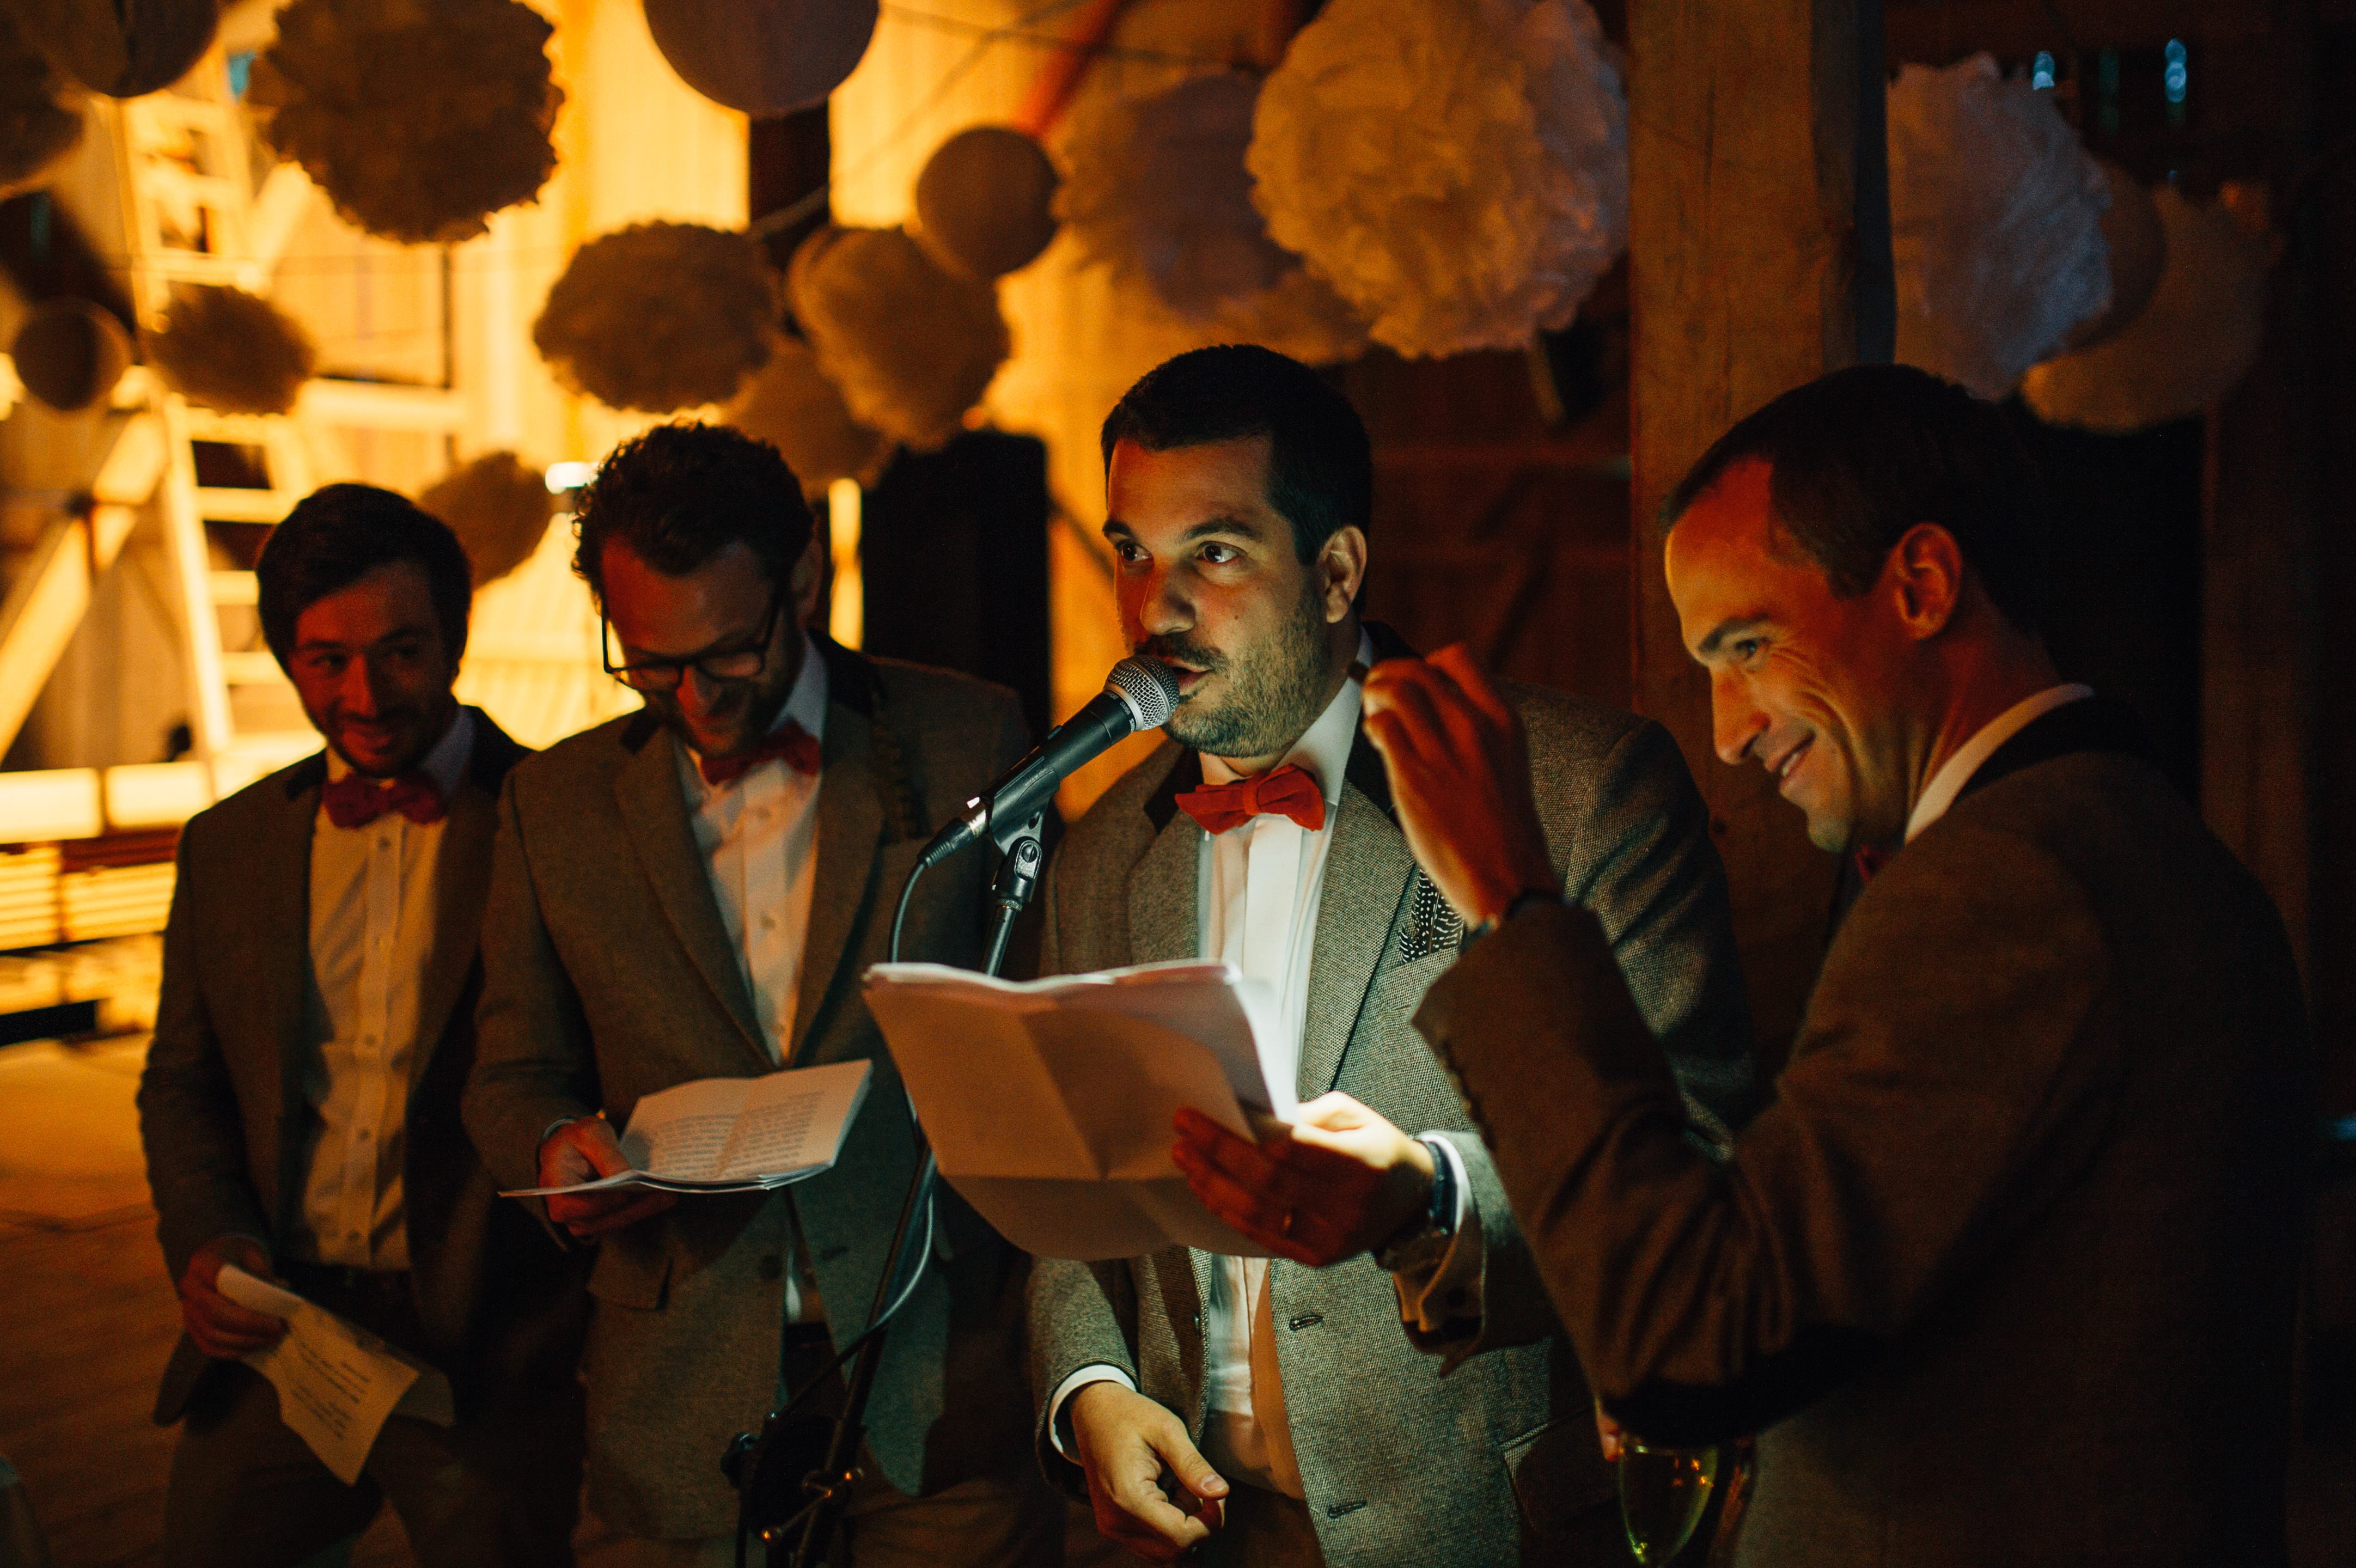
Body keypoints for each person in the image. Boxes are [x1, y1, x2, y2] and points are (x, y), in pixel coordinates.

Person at [1297, 364, 2311, 1565]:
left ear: (1921, 585)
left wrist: (1513, 903)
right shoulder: (2121, 835)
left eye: (1749, 644)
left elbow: (1690, 1343)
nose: (1727, 733)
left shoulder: (2009, 885)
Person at [1027, 345, 1757, 1567]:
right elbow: (1072, 1186)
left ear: (1337, 572)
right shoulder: (1103, 856)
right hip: (1199, 1534)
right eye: (1131, 551)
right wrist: (1087, 1386)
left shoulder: (1573, 788)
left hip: (1485, 1522)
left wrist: (1432, 1195)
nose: (1152, 607)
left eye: (1213, 552)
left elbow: (1705, 1167)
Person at [460, 422, 1060, 1565]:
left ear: (805, 581)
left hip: (938, 1378)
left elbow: (1047, 1018)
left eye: (728, 654)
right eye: (646, 662)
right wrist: (548, 1145)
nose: (692, 700)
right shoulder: (554, 803)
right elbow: (511, 1069)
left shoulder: (969, 734)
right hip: (680, 1392)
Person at [138, 484, 587, 1566]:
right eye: (324, 659)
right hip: (280, 1335)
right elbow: (183, 1082)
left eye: (400, 652)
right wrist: (209, 1240)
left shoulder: (564, 823)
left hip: (486, 1354)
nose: (363, 693)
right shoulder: (228, 844)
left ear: (456, 641)